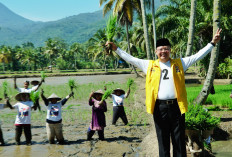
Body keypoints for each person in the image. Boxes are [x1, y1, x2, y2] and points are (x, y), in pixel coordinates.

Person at [106, 28, 222, 157]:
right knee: (163, 139)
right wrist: (116, 49)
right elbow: (131, 59)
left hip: (177, 106)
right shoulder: (148, 65)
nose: (163, 51)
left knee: (178, 139)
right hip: (159, 107)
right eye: (160, 49)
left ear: (170, 50)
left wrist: (212, 43)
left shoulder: (180, 63)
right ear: (156, 51)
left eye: (166, 48)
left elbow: (197, 55)